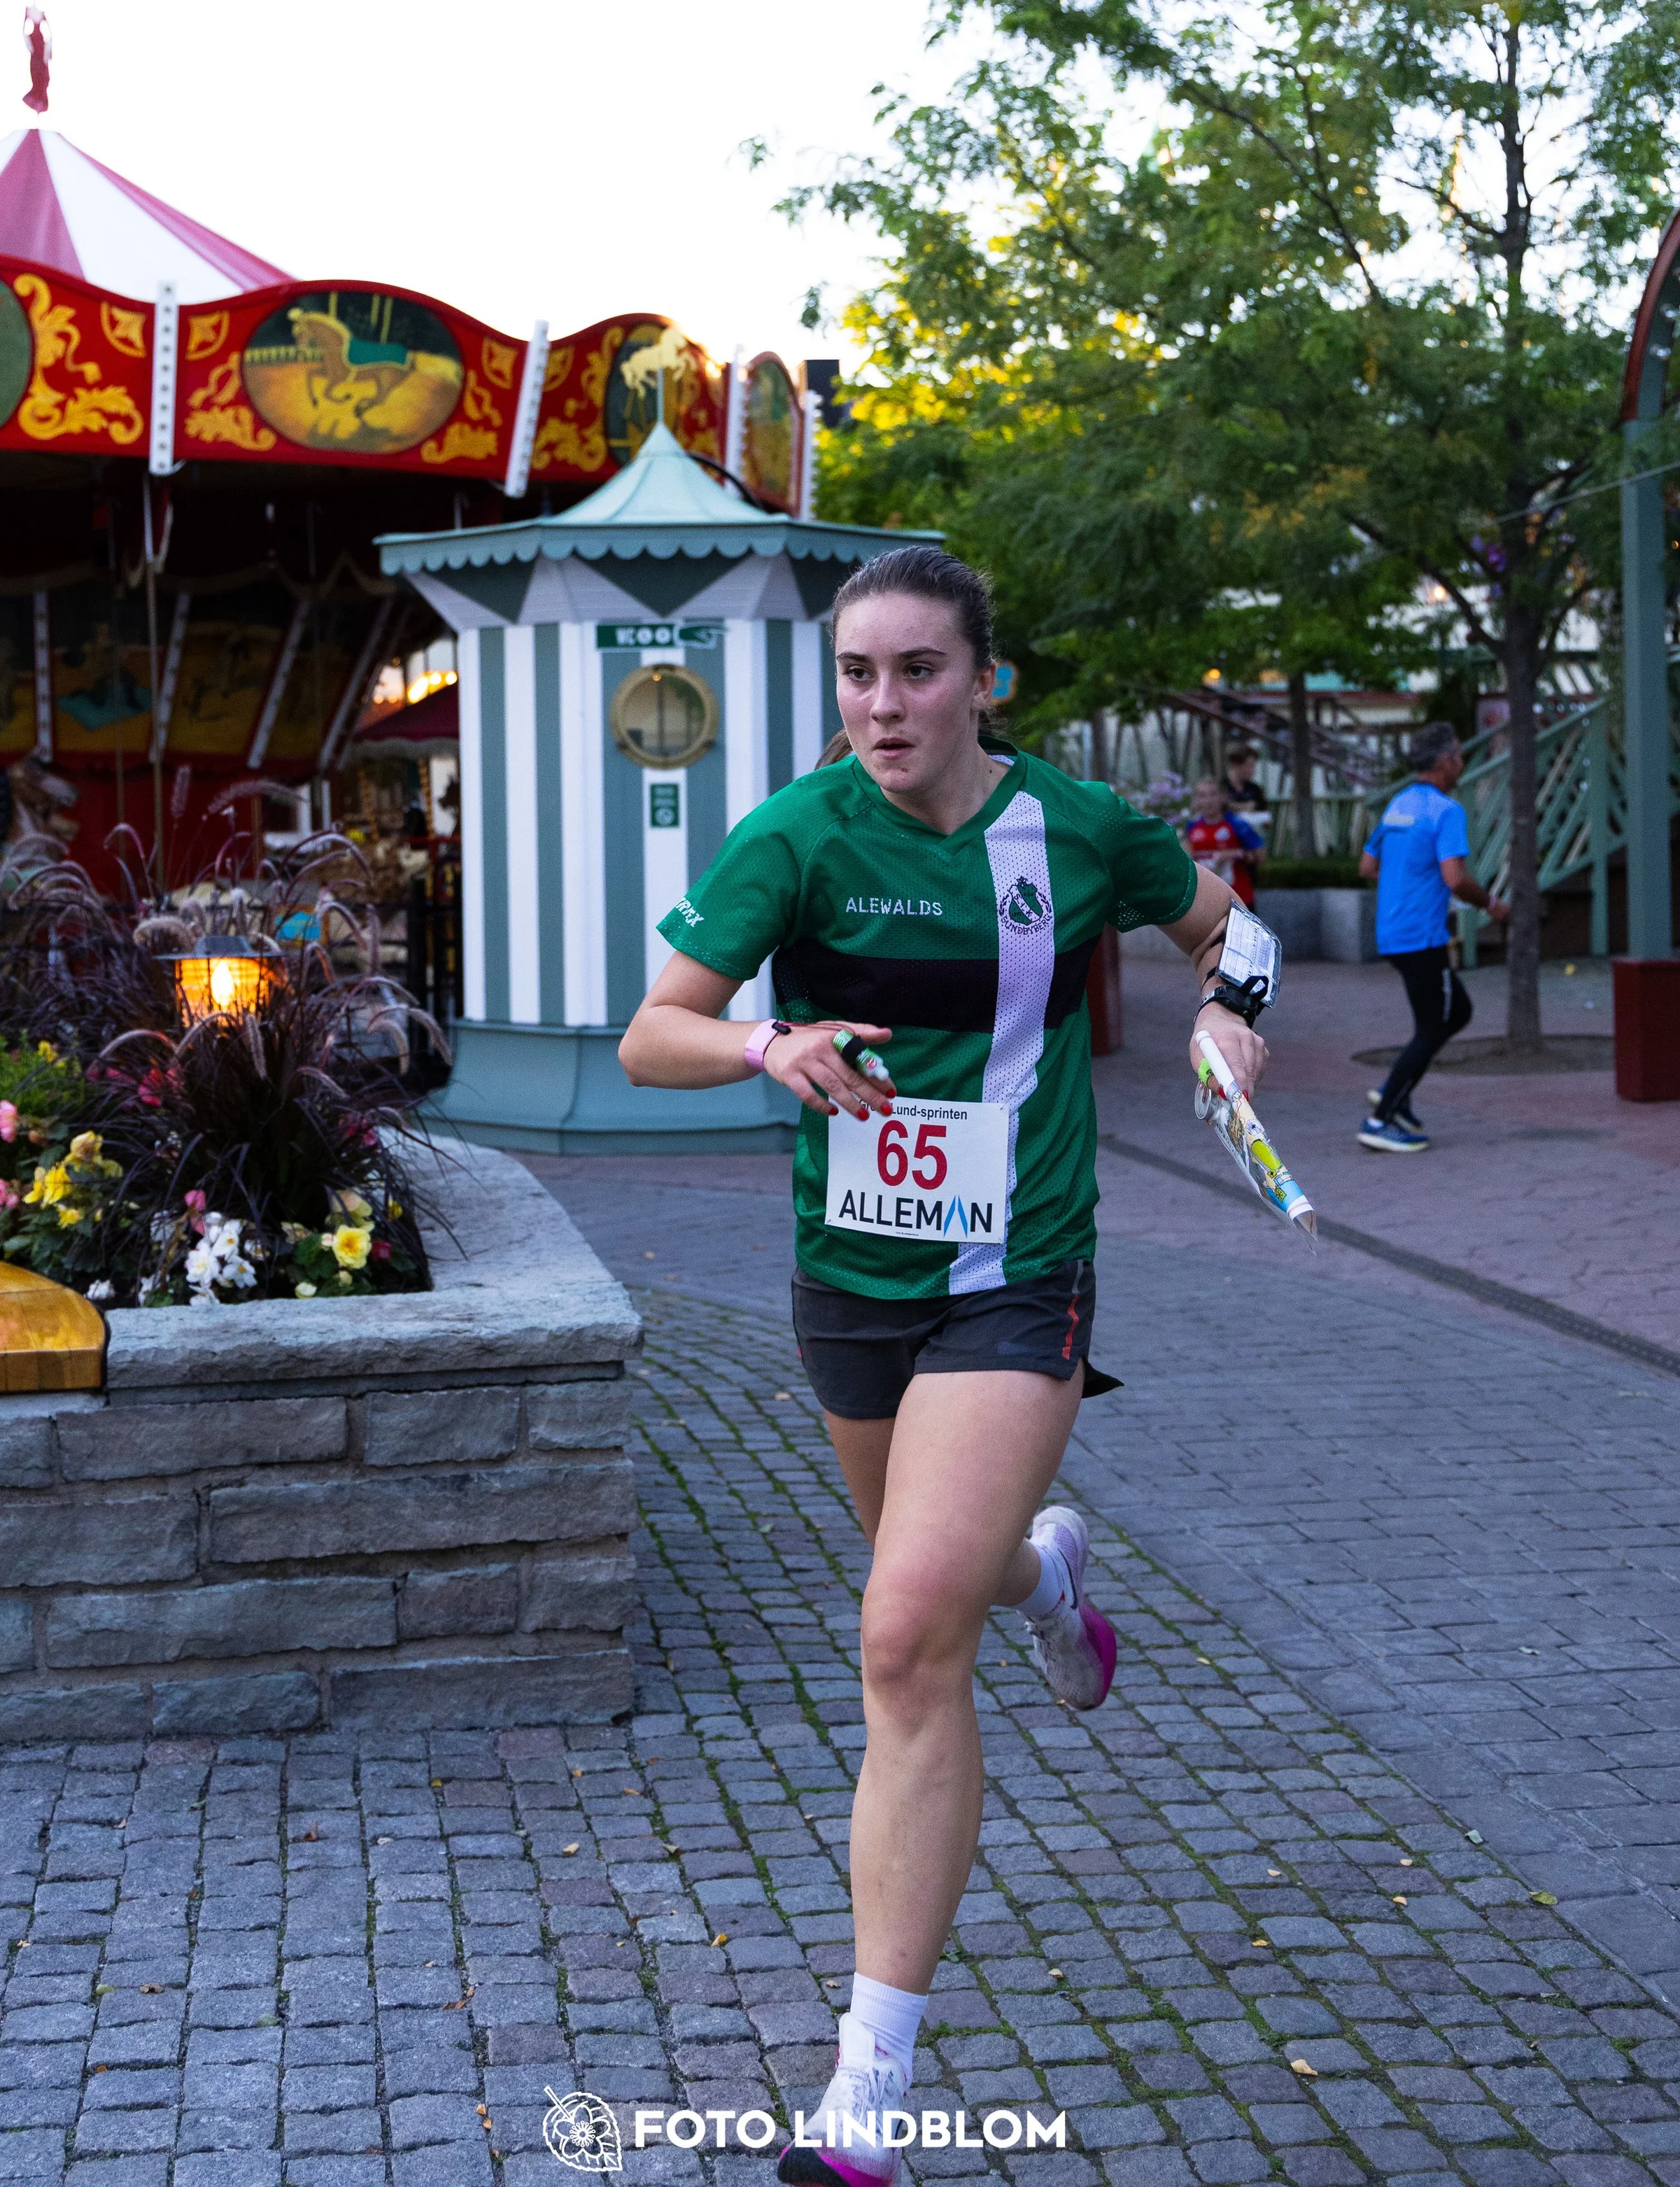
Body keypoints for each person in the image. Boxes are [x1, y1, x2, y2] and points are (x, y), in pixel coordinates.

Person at [618, 544, 1268, 2186]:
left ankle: (869, 2089)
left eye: (916, 671)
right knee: (948, 1594)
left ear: (989, 679)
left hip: (1017, 1271)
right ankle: (1048, 1579)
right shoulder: (797, 832)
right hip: (850, 1284)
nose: (883, 705)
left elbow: (1233, 938)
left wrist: (1231, 1020)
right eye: (857, 673)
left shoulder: (1075, 825)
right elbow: (655, 1028)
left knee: (904, 1637)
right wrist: (769, 1042)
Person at [1357, 720, 1509, 1152]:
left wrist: (1406, 882)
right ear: (1444, 762)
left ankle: (1396, 1093)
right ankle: (1380, 1117)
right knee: (1433, 1024)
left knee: (1456, 1011)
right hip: (1422, 936)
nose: (1462, 762)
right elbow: (1455, 878)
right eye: (1459, 754)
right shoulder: (1446, 810)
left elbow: (1367, 867)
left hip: (1392, 931)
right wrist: (1491, 905)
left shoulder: (1398, 805)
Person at [1185, 775, 1263, 907]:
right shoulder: (1192, 827)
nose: (1208, 800)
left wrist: (1237, 854)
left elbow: (1260, 857)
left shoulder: (1238, 824)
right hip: (1207, 900)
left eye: (1213, 794)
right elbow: (1189, 858)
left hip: (1238, 898)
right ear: (1196, 800)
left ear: (1223, 797)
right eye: (1202, 796)